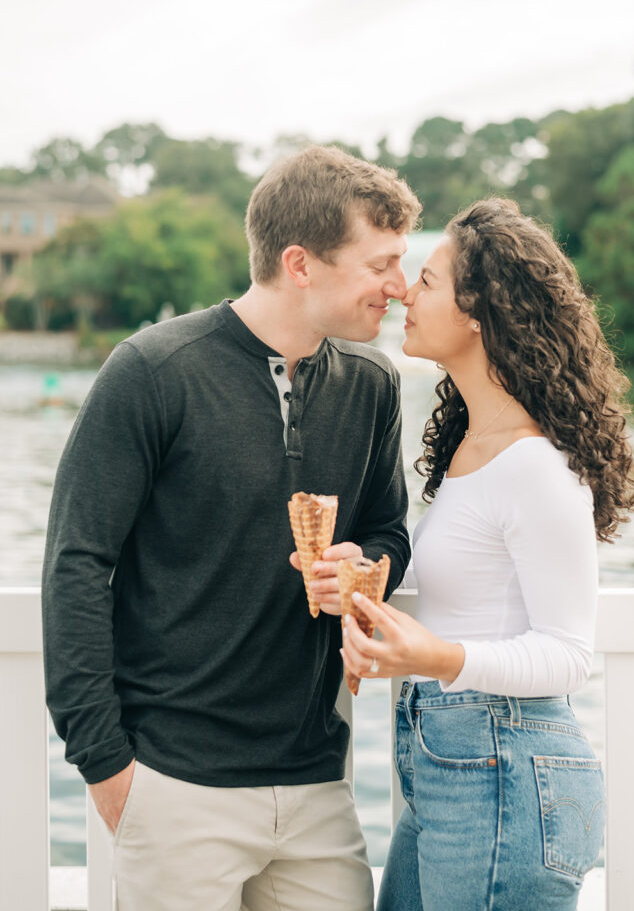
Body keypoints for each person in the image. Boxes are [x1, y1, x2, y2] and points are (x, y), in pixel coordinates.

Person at [42, 145, 421, 911]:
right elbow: (77, 567)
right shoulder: (153, 371)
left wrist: (362, 565)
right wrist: (108, 769)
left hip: (318, 786)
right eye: (380, 264)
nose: (400, 287)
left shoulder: (374, 386)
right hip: (175, 786)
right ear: (301, 263)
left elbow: (389, 531)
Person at [341, 197, 634, 911]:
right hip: (455, 766)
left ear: (480, 312)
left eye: (430, 280)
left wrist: (438, 659)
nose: (405, 291)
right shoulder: (472, 449)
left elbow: (569, 654)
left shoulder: (535, 466)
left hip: (506, 772)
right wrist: (365, 574)